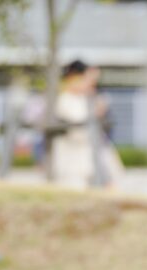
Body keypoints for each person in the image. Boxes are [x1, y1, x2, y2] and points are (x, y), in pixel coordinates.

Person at [46, 60, 124, 189]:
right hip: (75, 151)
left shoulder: (86, 98)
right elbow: (78, 124)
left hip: (93, 148)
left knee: (107, 179)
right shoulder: (65, 99)